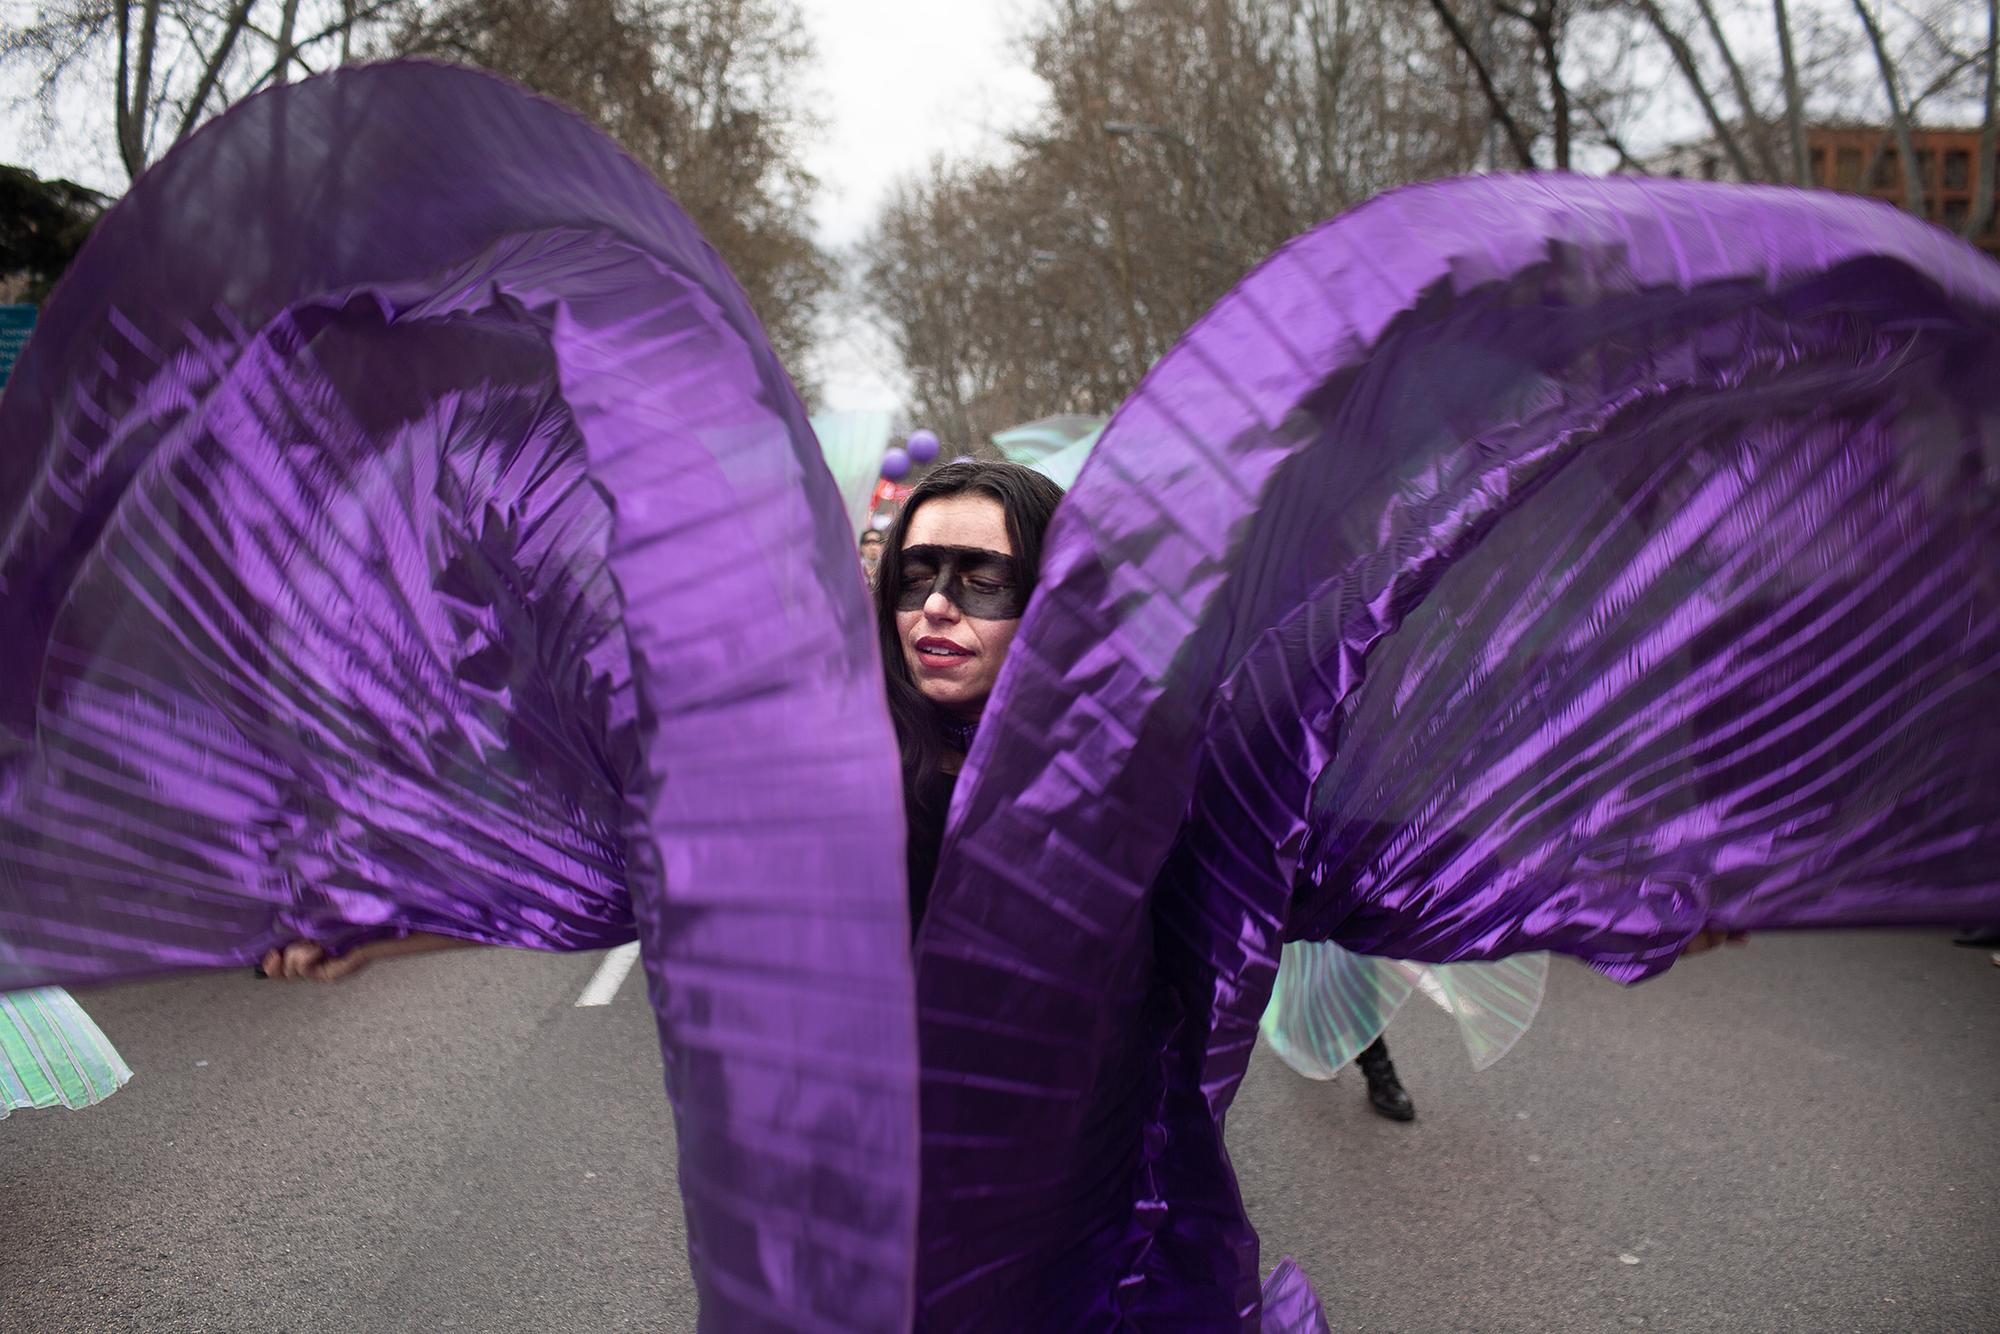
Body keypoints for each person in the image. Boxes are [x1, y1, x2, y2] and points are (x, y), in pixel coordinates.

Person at [871, 461, 1065, 927]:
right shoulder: (842, 777)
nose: (936, 606)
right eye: (914, 578)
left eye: (985, 584)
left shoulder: (1129, 786)